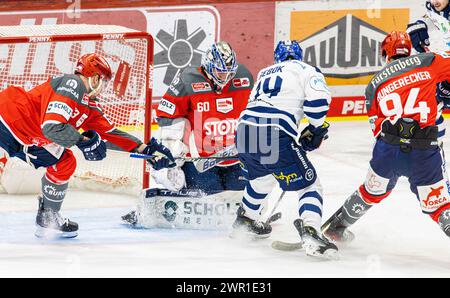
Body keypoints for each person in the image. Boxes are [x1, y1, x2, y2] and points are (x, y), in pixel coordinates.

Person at [0, 53, 174, 239]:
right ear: (96, 77)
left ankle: (48, 217)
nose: (104, 88)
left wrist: (146, 150)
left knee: (65, 162)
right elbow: (52, 127)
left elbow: (111, 133)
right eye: (105, 82)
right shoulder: (72, 84)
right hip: (8, 119)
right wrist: (83, 142)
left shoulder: (87, 106)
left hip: (28, 136)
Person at [322, 31, 450, 243]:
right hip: (424, 150)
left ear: (385, 53)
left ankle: (336, 227)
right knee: (439, 206)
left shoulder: (373, 84)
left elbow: (376, 128)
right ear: (408, 49)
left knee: (371, 192)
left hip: (388, 149)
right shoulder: (428, 60)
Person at [122, 41, 254, 228]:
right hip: (202, 162)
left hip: (235, 158)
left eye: (229, 73)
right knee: (207, 200)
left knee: (242, 198)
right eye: (220, 72)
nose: (225, 77)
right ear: (208, 66)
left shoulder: (245, 78)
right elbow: (168, 117)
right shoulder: (188, 81)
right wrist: (174, 158)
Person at [232, 40, 338, 259]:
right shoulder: (306, 70)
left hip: (244, 131)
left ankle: (245, 221)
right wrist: (316, 130)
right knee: (309, 185)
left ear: (277, 57)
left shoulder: (263, 73)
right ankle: (311, 232)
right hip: (274, 133)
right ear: (299, 55)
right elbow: (318, 103)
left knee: (262, 179)